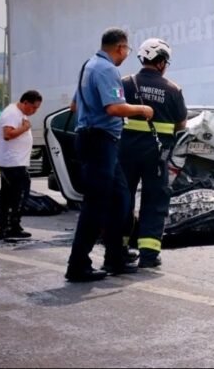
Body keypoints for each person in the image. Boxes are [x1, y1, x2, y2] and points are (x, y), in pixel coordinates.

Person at [65, 27, 154, 283]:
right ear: (120, 48)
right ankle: (78, 264)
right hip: (99, 140)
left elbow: (74, 105)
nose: (126, 54)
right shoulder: (106, 69)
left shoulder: (88, 66)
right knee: (96, 205)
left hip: (98, 139)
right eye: (127, 49)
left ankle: (115, 257)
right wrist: (143, 109)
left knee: (121, 200)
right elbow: (114, 107)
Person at [120, 38, 187, 269]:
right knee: (154, 201)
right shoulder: (173, 89)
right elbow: (181, 126)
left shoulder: (126, 83)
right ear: (160, 62)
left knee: (123, 199)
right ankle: (148, 254)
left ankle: (119, 249)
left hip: (126, 153)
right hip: (157, 155)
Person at [0, 90, 43, 241]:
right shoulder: (12, 113)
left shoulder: (19, 113)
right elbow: (7, 134)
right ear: (25, 102)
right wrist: (25, 128)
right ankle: (11, 226)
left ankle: (7, 227)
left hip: (13, 162)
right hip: (12, 163)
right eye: (33, 107)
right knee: (18, 194)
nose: (34, 111)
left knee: (9, 194)